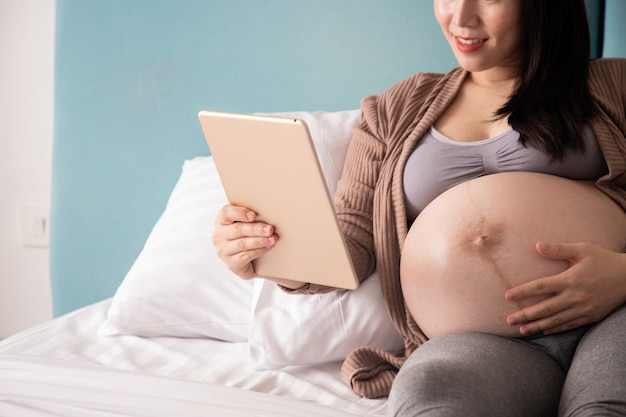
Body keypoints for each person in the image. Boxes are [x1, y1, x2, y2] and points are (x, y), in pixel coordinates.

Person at [212, 0, 626, 415]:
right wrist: (268, 246)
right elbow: (351, 242)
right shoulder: (394, 109)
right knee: (430, 404)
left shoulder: (614, 84)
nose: (461, 17)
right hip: (478, 343)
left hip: (613, 314)